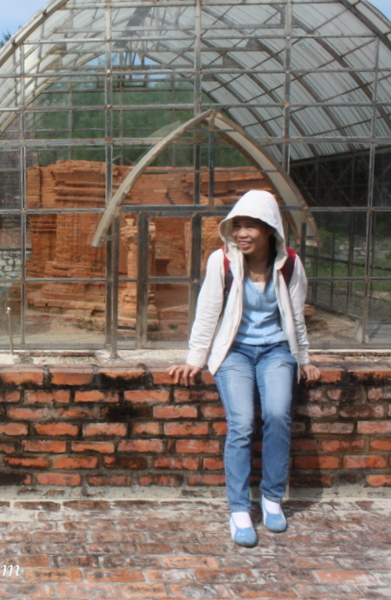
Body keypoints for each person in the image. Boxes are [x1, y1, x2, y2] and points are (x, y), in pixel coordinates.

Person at [168, 189, 320, 547]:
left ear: (269, 229)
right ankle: (238, 508)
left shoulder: (291, 264)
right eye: (238, 226)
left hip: (276, 352)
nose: (242, 234)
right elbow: (207, 312)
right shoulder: (221, 261)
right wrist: (195, 360)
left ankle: (271, 499)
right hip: (234, 353)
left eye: (251, 226)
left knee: (278, 415)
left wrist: (306, 359)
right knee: (241, 423)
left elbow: (295, 317)